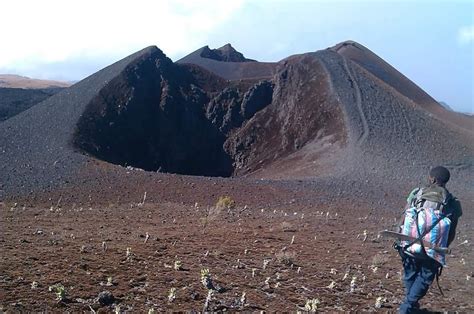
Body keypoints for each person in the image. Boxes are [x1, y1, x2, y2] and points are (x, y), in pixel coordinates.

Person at [397, 166, 462, 314]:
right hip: (433, 248)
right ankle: (408, 306)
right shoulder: (453, 202)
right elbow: (451, 230)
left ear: (431, 179)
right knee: (424, 278)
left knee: (410, 274)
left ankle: (408, 306)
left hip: (410, 243)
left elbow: (405, 215)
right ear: (446, 181)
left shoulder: (417, 193)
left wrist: (400, 239)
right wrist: (440, 250)